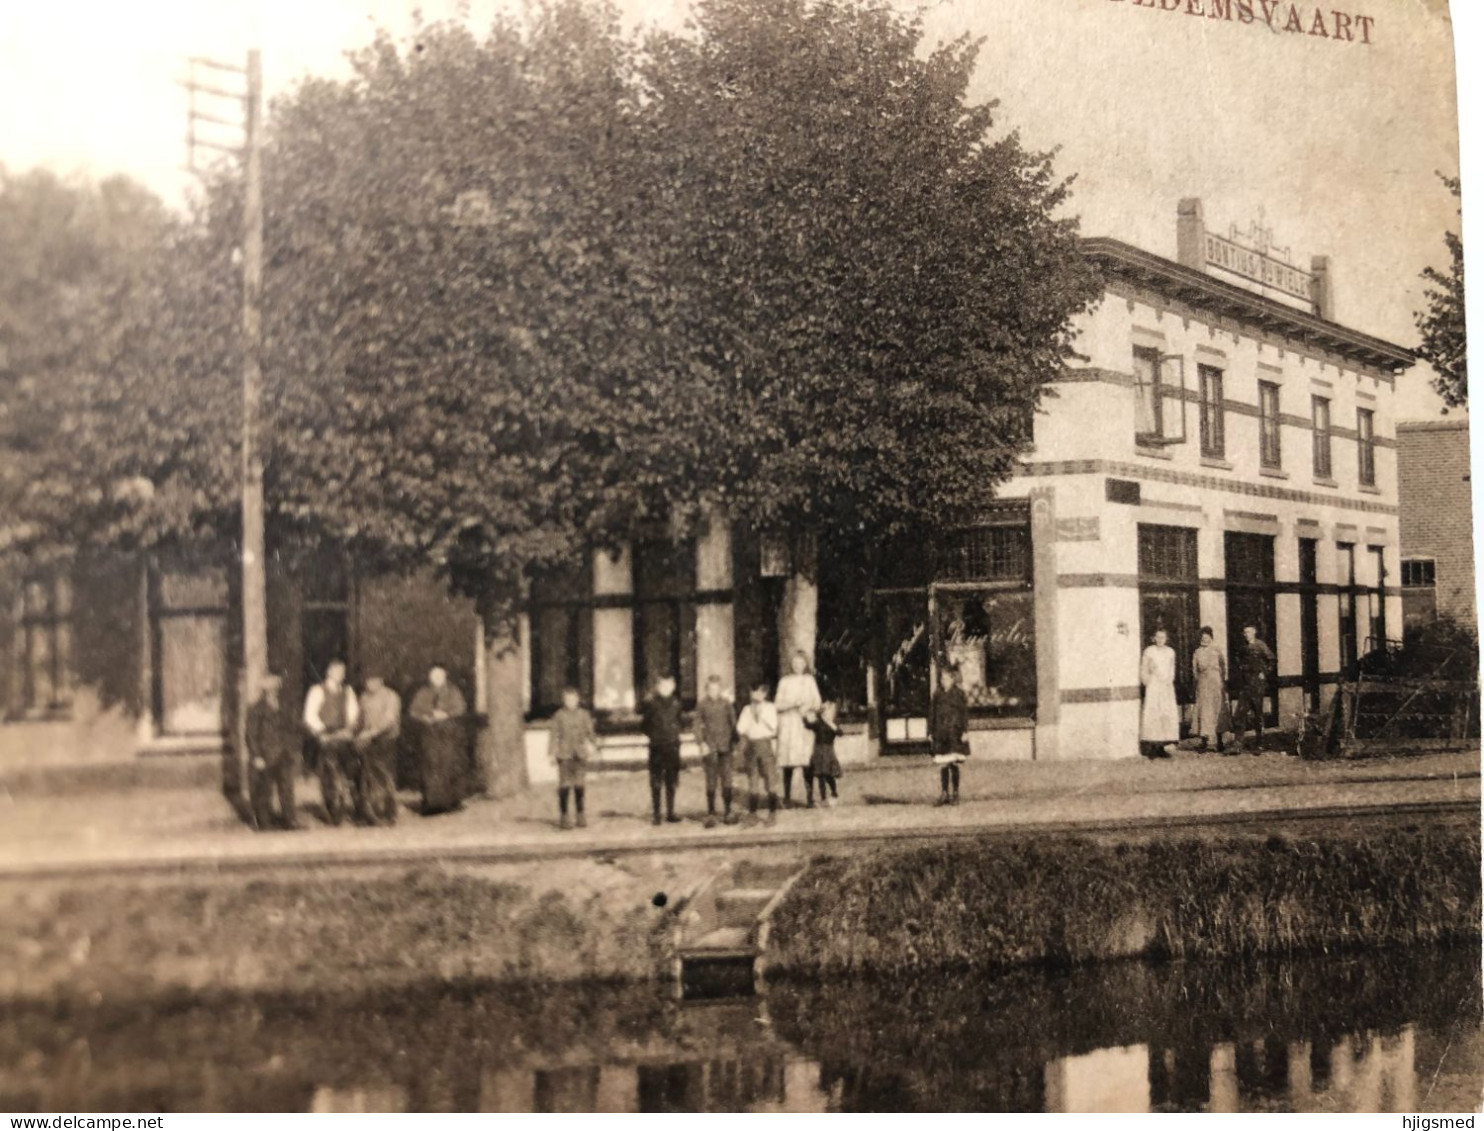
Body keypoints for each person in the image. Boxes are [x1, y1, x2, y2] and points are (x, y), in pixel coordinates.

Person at [303, 659, 360, 825]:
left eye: (342, 671)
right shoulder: (317, 691)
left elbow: (353, 714)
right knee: (329, 770)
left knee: (353, 767)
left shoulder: (347, 692)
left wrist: (348, 729)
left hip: (343, 735)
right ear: (329, 672)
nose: (340, 674)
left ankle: (356, 804)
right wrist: (322, 732)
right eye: (336, 671)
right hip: (326, 735)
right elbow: (310, 715)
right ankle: (333, 808)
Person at [409, 663, 468, 814]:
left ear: (445, 676)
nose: (436, 678)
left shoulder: (453, 691)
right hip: (429, 733)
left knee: (448, 765)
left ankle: (451, 802)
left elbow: (460, 707)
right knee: (431, 766)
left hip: (448, 733)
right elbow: (413, 711)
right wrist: (424, 716)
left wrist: (445, 714)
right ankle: (432, 803)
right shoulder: (423, 692)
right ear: (429, 677)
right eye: (434, 675)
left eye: (440, 675)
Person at [246, 673, 300, 831]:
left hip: (284, 753)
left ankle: (290, 820)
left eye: (276, 687)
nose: (274, 690)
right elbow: (251, 735)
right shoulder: (256, 709)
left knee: (287, 787)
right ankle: (264, 822)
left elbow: (292, 727)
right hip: (265, 754)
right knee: (264, 788)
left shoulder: (284, 706)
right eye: (270, 688)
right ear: (264, 690)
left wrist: (292, 746)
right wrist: (256, 756)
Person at [775, 650, 822, 807]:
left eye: (800, 663)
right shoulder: (784, 682)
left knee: (807, 761)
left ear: (805, 664)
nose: (797, 666)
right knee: (789, 762)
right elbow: (777, 704)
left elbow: (818, 702)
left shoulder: (809, 680)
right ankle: (787, 797)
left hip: (805, 724)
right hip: (789, 724)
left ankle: (810, 798)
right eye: (795, 663)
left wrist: (808, 706)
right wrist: (792, 704)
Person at [355, 673, 402, 825]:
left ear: (381, 680)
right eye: (368, 680)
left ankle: (388, 812)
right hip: (369, 740)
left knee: (384, 776)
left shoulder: (391, 696)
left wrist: (373, 732)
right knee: (366, 776)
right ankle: (369, 811)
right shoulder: (364, 697)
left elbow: (389, 719)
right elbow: (359, 719)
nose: (370, 684)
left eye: (374, 680)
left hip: (386, 740)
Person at [549, 686, 597, 830]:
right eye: (568, 699)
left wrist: (593, 745)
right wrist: (552, 753)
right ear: (564, 701)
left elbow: (590, 732)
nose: (571, 702)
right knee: (564, 786)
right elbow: (554, 735)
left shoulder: (584, 714)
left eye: (573, 699)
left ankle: (580, 814)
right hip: (564, 754)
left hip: (580, 754)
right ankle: (564, 816)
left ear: (578, 700)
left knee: (579, 785)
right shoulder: (559, 715)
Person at [695, 674, 739, 828]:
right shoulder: (702, 704)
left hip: (725, 746)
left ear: (720, 689)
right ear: (707, 689)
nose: (714, 691)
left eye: (716, 688)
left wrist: (735, 743)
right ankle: (711, 813)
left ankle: (728, 811)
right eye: (711, 689)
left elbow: (734, 724)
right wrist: (701, 743)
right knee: (711, 779)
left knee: (727, 779)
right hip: (710, 747)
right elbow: (697, 724)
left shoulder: (726, 703)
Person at [640, 675, 684, 826]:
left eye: (668, 686)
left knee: (672, 780)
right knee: (656, 780)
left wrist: (673, 735)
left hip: (672, 745)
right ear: (658, 687)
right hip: (657, 746)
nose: (666, 689)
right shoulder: (652, 704)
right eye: (662, 686)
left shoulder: (677, 703)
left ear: (673, 687)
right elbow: (644, 725)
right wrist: (655, 736)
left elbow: (679, 722)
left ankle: (671, 812)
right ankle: (657, 814)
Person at [736, 681, 781, 824]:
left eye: (759, 692)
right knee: (753, 780)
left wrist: (760, 715)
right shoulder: (746, 709)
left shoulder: (770, 707)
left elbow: (774, 726)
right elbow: (740, 729)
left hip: (765, 744)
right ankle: (753, 814)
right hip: (751, 745)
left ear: (765, 694)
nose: (755, 695)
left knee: (770, 779)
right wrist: (751, 715)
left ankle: (772, 814)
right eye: (753, 692)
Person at [1233, 625, 1276, 753]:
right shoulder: (1243, 647)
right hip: (1246, 684)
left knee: (1258, 714)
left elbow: (1272, 660)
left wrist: (1264, 673)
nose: (1246, 634)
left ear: (1254, 633)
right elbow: (1238, 660)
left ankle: (1260, 743)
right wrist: (1241, 668)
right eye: (1244, 632)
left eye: (1249, 632)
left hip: (1257, 684)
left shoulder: (1260, 645)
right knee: (1240, 713)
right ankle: (1238, 744)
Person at [930, 667, 969, 805]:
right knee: (943, 765)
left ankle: (956, 793)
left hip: (954, 733)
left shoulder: (959, 694)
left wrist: (965, 731)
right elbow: (932, 714)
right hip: (941, 734)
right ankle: (944, 792)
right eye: (942, 679)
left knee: (953, 763)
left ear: (952, 679)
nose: (944, 681)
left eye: (946, 678)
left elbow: (964, 714)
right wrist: (931, 732)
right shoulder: (938, 694)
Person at [1140, 628, 1179, 759]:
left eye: (1162, 637)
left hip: (1166, 686)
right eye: (1158, 637)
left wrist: (1169, 680)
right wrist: (1148, 681)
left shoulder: (1170, 652)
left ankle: (1163, 746)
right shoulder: (1149, 651)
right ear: (1154, 638)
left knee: (1166, 713)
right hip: (1154, 686)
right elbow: (1144, 669)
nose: (1160, 640)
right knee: (1154, 713)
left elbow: (1172, 668)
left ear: (1166, 638)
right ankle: (1152, 747)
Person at [1191, 626, 1229, 754]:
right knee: (1204, 711)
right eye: (1203, 638)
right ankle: (1204, 741)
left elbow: (1223, 667)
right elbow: (1195, 670)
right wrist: (1199, 682)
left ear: (1211, 638)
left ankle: (1219, 741)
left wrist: (1222, 682)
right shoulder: (1197, 652)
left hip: (1216, 684)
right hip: (1203, 684)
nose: (1205, 640)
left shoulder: (1217, 651)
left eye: (1207, 638)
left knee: (1217, 710)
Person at [805, 700, 843, 808]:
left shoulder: (833, 724)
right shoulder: (818, 723)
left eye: (829, 712)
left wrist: (832, 725)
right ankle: (823, 799)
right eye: (825, 712)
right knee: (820, 775)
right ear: (822, 713)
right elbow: (808, 725)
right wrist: (805, 714)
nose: (827, 714)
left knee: (829, 775)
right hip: (818, 751)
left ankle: (834, 792)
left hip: (828, 751)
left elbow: (840, 733)